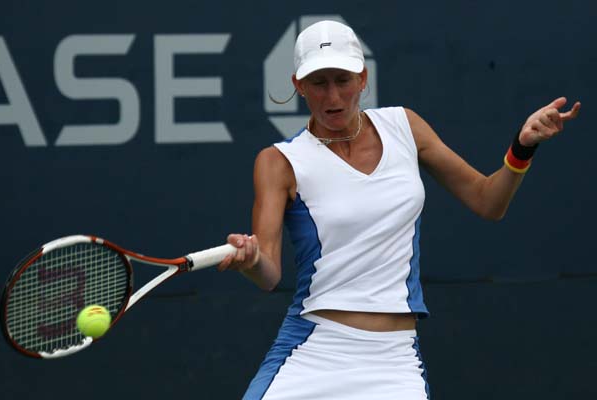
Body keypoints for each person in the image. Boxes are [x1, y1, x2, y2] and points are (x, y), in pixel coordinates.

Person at [217, 20, 581, 400]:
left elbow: (488, 201)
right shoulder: (278, 161)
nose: (333, 96)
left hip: (394, 360)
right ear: (299, 86)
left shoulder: (405, 126)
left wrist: (522, 147)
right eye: (318, 83)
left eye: (342, 80)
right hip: (314, 349)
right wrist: (252, 259)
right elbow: (269, 275)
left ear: (363, 78)